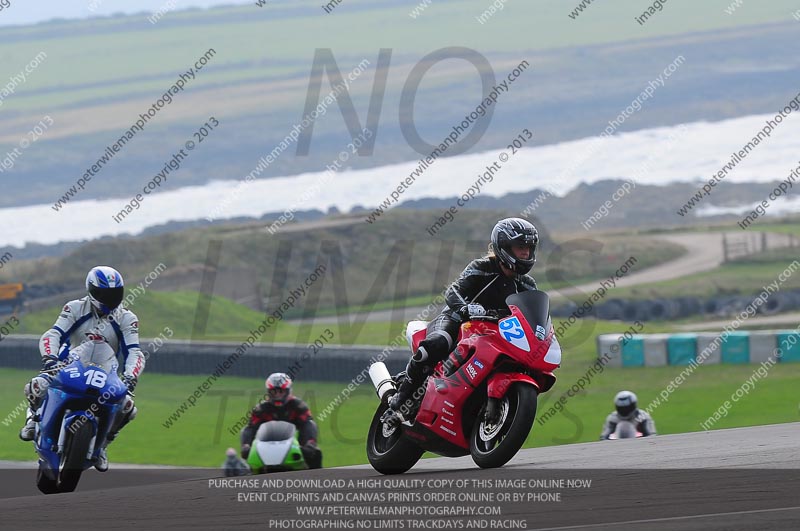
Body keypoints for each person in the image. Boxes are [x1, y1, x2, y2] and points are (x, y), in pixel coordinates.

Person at [389, 217, 548, 417]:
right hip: (457, 321)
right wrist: (464, 309)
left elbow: (532, 314)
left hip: (492, 334)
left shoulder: (527, 284)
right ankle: (401, 397)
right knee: (436, 344)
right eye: (520, 247)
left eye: (529, 247)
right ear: (504, 246)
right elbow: (454, 290)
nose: (526, 252)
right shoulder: (482, 267)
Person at [19, 266, 144, 472]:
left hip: (107, 371)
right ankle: (34, 418)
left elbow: (134, 352)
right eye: (104, 293)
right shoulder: (74, 308)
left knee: (128, 406)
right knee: (37, 385)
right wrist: (50, 358)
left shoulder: (128, 318)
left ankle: (103, 445)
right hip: (70, 362)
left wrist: (130, 377)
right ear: (91, 290)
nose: (110, 298)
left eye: (115, 293)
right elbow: (54, 334)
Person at [240, 373, 322, 469]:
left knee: (315, 454)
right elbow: (250, 428)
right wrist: (246, 445)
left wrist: (310, 443)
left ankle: (317, 479)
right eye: (274, 392)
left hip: (291, 445)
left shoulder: (299, 406)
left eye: (281, 392)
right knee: (245, 465)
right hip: (266, 446)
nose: (277, 395)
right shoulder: (261, 409)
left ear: (288, 391)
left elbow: (308, 425)